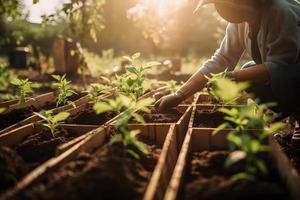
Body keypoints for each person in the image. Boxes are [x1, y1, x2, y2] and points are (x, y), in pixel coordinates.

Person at [155, 0, 300, 128]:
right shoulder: (240, 20)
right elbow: (222, 58)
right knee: (248, 71)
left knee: (270, 76)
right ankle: (290, 112)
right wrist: (180, 94)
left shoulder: (279, 11)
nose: (221, 9)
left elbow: (280, 65)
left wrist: (232, 76)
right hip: (287, 71)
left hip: (293, 71)